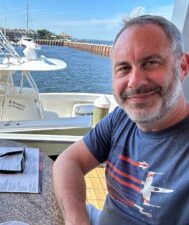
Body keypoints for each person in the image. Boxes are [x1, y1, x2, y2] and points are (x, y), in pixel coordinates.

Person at [52, 15, 189, 225]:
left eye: (151, 62)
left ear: (182, 67)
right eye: (124, 68)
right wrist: (76, 219)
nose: (135, 81)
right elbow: (69, 161)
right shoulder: (121, 119)